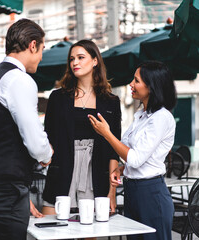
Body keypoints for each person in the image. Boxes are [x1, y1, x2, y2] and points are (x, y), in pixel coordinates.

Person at [0, 19, 53, 240]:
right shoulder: (19, 80)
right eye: (42, 50)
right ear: (32, 45)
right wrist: (47, 155)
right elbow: (34, 138)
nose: (41, 57)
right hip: (6, 184)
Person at [88, 61, 177, 240]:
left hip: (151, 194)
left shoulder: (161, 118)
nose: (131, 84)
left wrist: (107, 134)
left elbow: (136, 159)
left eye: (136, 80)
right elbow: (138, 157)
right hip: (132, 191)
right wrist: (122, 169)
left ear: (151, 87)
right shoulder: (141, 115)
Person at [42, 39, 121, 215]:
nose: (75, 63)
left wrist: (112, 191)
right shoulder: (57, 98)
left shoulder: (111, 102)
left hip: (96, 176)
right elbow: (48, 138)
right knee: (53, 230)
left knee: (89, 232)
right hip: (61, 171)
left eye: (80, 57)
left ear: (95, 61)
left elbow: (112, 150)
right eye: (71, 59)